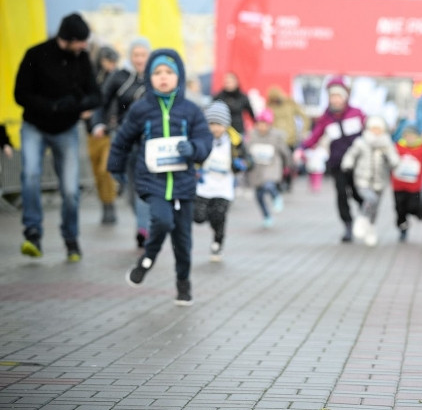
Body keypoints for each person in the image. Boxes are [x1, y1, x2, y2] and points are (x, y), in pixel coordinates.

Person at [107, 49, 213, 306]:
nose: (163, 78)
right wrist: (116, 167)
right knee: (163, 221)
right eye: (157, 73)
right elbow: (122, 140)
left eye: (169, 72)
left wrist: (194, 149)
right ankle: (147, 259)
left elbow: (205, 140)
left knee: (183, 240)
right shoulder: (141, 109)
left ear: (179, 76)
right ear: (149, 77)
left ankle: (183, 283)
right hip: (152, 182)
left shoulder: (191, 110)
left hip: (183, 185)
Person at [14, 12, 103, 261]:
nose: (84, 45)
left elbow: (96, 96)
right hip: (35, 126)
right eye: (81, 41)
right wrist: (51, 106)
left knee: (70, 188)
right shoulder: (36, 54)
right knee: (31, 175)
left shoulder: (82, 59)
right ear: (68, 38)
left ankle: (71, 239)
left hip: (66, 130)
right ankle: (32, 232)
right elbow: (20, 94)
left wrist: (75, 104)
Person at [99, 37, 153, 248]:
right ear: (130, 56)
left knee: (141, 186)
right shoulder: (119, 77)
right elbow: (101, 102)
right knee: (128, 188)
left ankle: (143, 229)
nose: (139, 59)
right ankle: (143, 221)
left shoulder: (156, 77)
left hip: (148, 141)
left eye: (143, 55)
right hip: (124, 138)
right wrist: (98, 124)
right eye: (136, 55)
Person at [298, 78, 365, 242]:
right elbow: (315, 135)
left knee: (357, 192)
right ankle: (348, 225)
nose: (335, 99)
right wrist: (302, 148)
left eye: (338, 96)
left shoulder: (357, 113)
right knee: (341, 193)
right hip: (337, 163)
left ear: (345, 97)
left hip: (357, 163)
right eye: (332, 96)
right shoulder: (326, 118)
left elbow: (370, 131)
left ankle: (365, 209)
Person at [194, 100, 247, 261]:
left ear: (226, 125)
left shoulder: (235, 142)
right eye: (211, 124)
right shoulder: (202, 139)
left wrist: (242, 164)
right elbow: (195, 156)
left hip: (224, 187)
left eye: (219, 124)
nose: (215, 128)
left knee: (219, 215)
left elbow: (247, 159)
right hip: (204, 185)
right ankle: (211, 219)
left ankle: (217, 242)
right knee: (198, 216)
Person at [341, 116, 400, 246]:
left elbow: (395, 160)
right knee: (370, 199)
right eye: (373, 128)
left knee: (375, 208)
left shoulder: (387, 144)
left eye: (378, 129)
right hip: (363, 180)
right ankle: (361, 219)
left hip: (380, 182)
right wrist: (347, 164)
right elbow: (351, 154)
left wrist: (390, 157)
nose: (376, 131)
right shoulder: (361, 142)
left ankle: (371, 229)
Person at [87, 44, 120, 225]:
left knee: (105, 169)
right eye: (109, 61)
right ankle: (105, 204)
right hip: (90, 132)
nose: (112, 65)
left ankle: (110, 204)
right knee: (97, 173)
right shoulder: (91, 77)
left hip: (108, 131)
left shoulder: (116, 78)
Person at [246, 108, 292, 228]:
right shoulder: (251, 135)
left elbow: (285, 152)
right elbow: (246, 150)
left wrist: (288, 165)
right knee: (259, 196)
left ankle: (276, 197)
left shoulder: (276, 137)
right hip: (256, 169)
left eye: (264, 124)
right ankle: (266, 215)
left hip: (271, 166)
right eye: (259, 124)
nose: (261, 127)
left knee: (269, 184)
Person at [264, 85, 309, 191]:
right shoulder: (269, 106)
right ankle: (278, 181)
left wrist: (303, 131)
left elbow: (304, 117)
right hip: (275, 139)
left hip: (290, 138)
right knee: (277, 161)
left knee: (289, 161)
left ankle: (288, 181)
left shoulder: (290, 103)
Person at [391, 125, 422, 242]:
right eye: (407, 136)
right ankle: (403, 228)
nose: (410, 138)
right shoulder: (397, 147)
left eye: (412, 136)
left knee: (413, 207)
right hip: (398, 186)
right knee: (399, 209)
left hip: (414, 188)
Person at [213, 71, 256, 136]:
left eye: (230, 82)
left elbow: (251, 113)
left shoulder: (242, 97)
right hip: (222, 131)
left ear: (236, 82)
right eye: (227, 82)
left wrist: (256, 124)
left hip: (238, 130)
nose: (228, 84)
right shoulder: (219, 97)